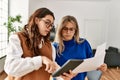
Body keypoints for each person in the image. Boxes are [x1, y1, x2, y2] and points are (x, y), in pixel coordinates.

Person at [4, 7, 57, 80]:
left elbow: (52, 66)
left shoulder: (50, 46)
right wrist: (41, 60)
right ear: (37, 20)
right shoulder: (17, 38)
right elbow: (10, 67)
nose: (49, 27)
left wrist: (62, 75)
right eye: (47, 22)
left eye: (51, 25)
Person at [53, 15, 107, 80]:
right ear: (60, 29)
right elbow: (52, 71)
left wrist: (101, 66)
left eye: (71, 29)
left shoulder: (84, 43)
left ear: (75, 30)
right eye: (65, 28)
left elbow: (93, 63)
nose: (68, 32)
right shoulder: (54, 46)